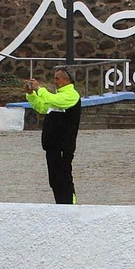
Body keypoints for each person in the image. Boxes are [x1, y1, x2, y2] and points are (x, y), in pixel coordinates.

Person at [24, 67, 82, 204]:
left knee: (64, 178)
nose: (54, 81)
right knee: (55, 180)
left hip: (63, 147)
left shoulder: (71, 95)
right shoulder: (57, 97)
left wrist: (40, 89)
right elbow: (42, 107)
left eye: (57, 78)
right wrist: (31, 94)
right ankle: (60, 206)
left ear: (66, 80)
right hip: (52, 147)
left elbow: (50, 98)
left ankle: (69, 205)